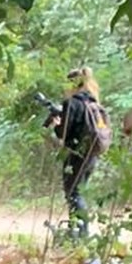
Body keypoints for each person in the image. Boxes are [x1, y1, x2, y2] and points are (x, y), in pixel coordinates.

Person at [50, 67, 108, 237]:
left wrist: (56, 125)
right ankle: (78, 230)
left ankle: (81, 233)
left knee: (73, 193)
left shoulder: (73, 103)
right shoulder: (94, 104)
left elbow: (64, 132)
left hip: (75, 154)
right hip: (92, 155)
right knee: (79, 192)